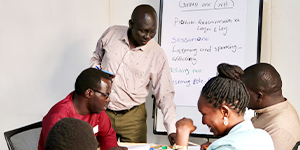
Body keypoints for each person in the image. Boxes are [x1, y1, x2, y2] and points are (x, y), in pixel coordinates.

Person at [89, 4, 176, 144]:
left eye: (152, 32)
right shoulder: (111, 34)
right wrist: (99, 72)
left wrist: (172, 129)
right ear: (131, 24)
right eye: (143, 31)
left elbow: (165, 94)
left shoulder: (157, 54)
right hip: (101, 111)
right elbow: (96, 58)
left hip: (133, 118)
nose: (147, 36)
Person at [175, 63, 274, 150]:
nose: (203, 121)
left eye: (204, 114)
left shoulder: (228, 146)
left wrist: (182, 135)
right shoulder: (263, 136)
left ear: (224, 112)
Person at [38, 68, 127, 150]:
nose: (109, 99)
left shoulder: (97, 111)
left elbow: (107, 135)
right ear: (89, 93)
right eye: (106, 95)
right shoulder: (59, 116)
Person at [241, 63, 300, 150]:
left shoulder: (281, 128)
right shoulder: (272, 110)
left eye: (243, 93)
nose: (240, 97)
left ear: (259, 96)